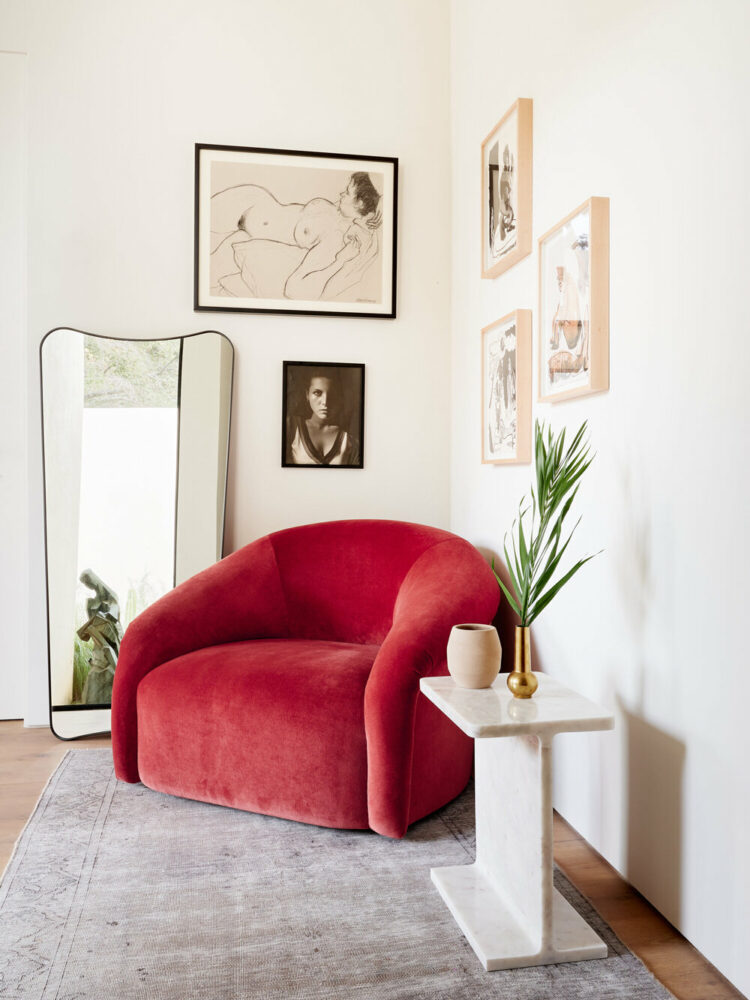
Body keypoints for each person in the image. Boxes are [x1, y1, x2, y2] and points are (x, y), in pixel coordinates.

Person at [210, 172, 382, 302]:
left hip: (249, 230)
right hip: (254, 199)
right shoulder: (340, 211)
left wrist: (341, 260)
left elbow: (294, 289)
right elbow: (374, 204)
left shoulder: (336, 239)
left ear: (359, 203)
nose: (341, 194)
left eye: (347, 192)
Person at [285, 369, 360, 466]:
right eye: (317, 393)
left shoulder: (350, 439)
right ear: (307, 394)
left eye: (332, 394)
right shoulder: (291, 427)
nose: (325, 402)